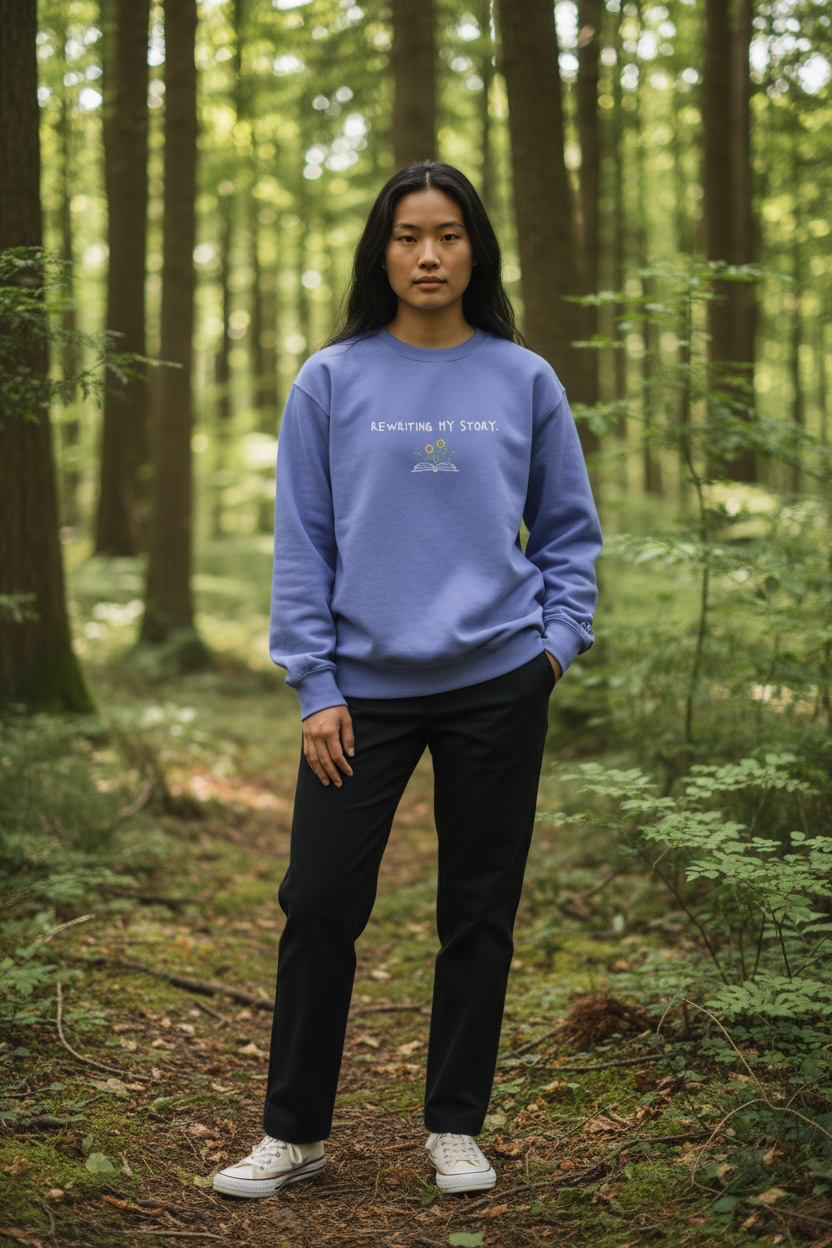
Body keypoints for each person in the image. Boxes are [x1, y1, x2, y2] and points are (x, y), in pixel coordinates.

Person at [213, 160, 601, 1200]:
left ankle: (454, 1126)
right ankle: (293, 1132)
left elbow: (569, 535)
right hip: (361, 695)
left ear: (475, 248)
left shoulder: (523, 378)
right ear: (379, 251)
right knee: (319, 901)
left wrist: (552, 651)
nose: (427, 255)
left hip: (497, 684)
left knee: (479, 909)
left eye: (447, 235)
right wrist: (315, 684)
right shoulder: (330, 379)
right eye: (406, 236)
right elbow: (303, 545)